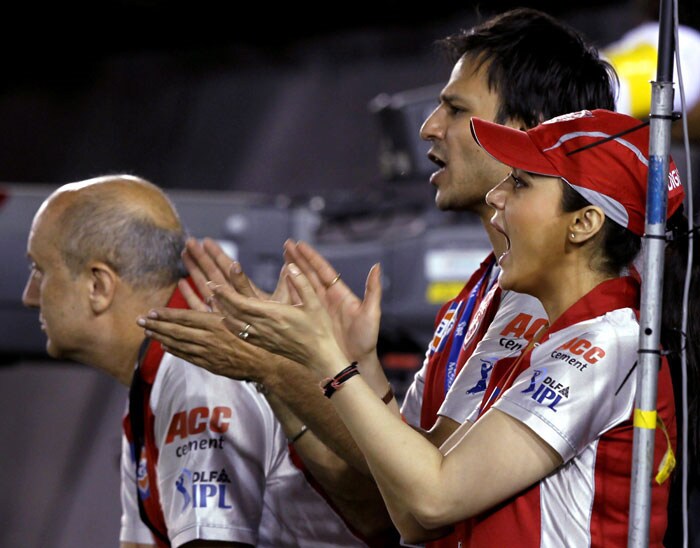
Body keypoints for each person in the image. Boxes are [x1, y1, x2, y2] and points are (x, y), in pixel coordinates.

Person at [137, 8, 618, 545]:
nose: (428, 126)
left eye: (455, 109)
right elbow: (399, 502)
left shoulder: (593, 315)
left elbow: (433, 495)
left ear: (530, 132)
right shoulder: (485, 292)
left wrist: (302, 363)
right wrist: (342, 366)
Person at [203, 108, 693, 546]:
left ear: (584, 223)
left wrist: (330, 365)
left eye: (521, 183)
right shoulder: (536, 324)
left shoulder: (606, 342)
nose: (497, 196)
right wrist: (362, 365)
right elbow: (416, 515)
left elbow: (435, 497)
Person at [21, 174, 367, 548]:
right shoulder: (151, 377)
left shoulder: (197, 372)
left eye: (40, 271)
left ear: (98, 286)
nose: (30, 296)